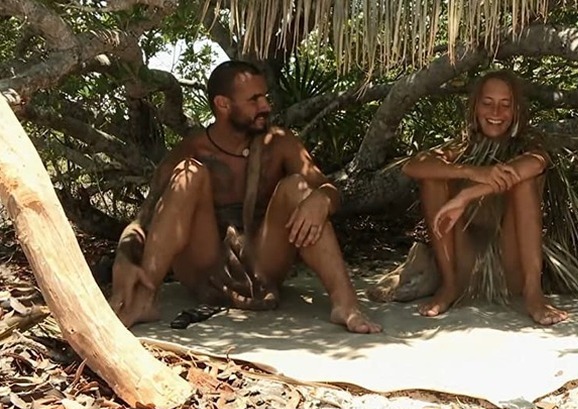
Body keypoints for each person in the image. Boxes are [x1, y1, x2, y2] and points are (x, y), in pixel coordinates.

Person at [109, 60, 381, 334]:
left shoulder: (280, 143)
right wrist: (124, 259)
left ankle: (345, 304)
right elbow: (142, 220)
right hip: (204, 266)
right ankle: (144, 298)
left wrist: (322, 199)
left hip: (261, 262)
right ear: (223, 104)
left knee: (297, 187)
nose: (265, 106)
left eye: (265, 97)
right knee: (189, 174)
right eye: (254, 99)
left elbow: (328, 188)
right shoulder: (193, 148)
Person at [402, 70, 570, 325]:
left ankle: (533, 292)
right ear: (475, 107)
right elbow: (413, 166)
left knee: (523, 182)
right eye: (487, 103)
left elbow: (533, 165)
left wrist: (467, 194)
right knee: (433, 177)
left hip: (510, 268)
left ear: (516, 110)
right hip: (466, 265)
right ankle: (449, 285)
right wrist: (471, 171)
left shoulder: (530, 146)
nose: (495, 112)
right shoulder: (461, 148)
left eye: (505, 104)